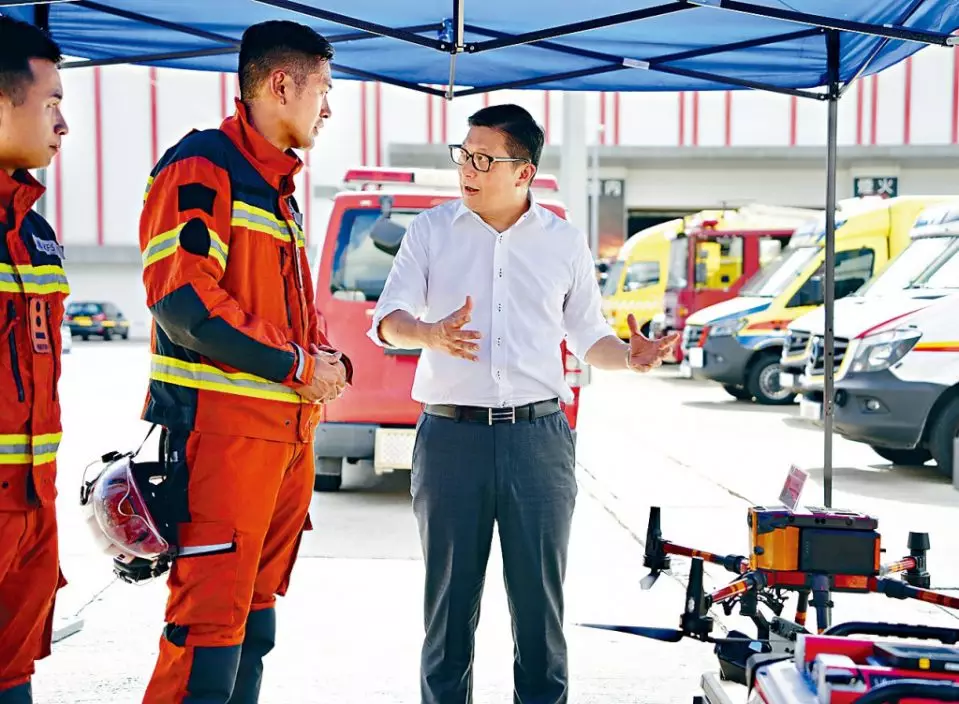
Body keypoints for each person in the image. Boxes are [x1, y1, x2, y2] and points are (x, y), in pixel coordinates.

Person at [368, 103, 679, 704]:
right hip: (451, 440)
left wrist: (630, 357)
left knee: (540, 615)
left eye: (485, 159)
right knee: (447, 614)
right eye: (464, 154)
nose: (468, 168)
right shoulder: (431, 231)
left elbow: (589, 337)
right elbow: (387, 320)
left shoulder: (563, 241)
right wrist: (428, 333)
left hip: (539, 442)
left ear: (524, 172)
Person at [137, 20, 351, 703]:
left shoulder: (277, 186)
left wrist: (326, 358)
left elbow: (289, 310)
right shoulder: (203, 165)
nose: (328, 107)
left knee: (253, 624)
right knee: (208, 625)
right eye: (323, 88)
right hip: (225, 440)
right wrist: (298, 366)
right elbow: (184, 303)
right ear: (280, 84)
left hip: (282, 440)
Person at [0, 16, 70, 704]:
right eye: (51, 103)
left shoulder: (34, 231)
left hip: (30, 505)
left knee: (14, 677)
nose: (63, 124)